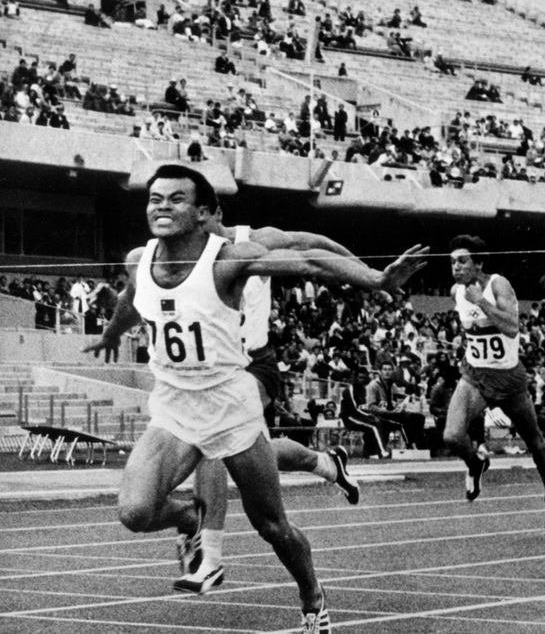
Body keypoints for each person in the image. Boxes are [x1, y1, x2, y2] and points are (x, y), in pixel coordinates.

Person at [82, 164, 427, 633]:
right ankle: (192, 519)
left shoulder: (228, 259)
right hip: (175, 409)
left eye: (176, 199)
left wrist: (376, 279)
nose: (161, 207)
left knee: (271, 525)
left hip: (230, 406)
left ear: (203, 212)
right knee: (135, 512)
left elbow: (309, 259)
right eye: (155, 198)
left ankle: (312, 596)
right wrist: (110, 334)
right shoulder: (138, 259)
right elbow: (130, 299)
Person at [179, 211, 386, 595]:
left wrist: (371, 276)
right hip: (209, 372)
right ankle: (327, 463)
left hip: (253, 366)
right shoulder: (185, 253)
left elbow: (317, 245)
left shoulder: (257, 239)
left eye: (198, 221)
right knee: (251, 458)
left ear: (215, 214)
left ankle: (210, 557)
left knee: (213, 442)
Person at [444, 235, 545, 538]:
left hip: (508, 378)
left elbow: (512, 328)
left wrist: (481, 302)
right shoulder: (456, 291)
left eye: (462, 261)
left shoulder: (498, 285)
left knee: (535, 441)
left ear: (478, 263)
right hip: (475, 375)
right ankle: (476, 464)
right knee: (452, 436)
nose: (455, 267)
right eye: (452, 262)